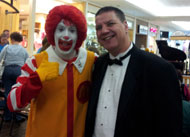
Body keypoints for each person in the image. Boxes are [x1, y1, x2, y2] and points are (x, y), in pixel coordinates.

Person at [85, 6, 182, 137]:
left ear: (125, 26)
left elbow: (170, 126)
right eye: (99, 27)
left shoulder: (159, 69)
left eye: (110, 24)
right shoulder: (98, 64)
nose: (104, 31)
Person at [7, 5, 96, 137]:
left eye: (72, 30)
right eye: (60, 29)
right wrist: (35, 80)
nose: (66, 35)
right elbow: (12, 104)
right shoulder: (35, 62)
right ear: (52, 32)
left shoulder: (91, 61)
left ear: (79, 35)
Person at [0, 32, 29, 121]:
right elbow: (27, 61)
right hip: (18, 71)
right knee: (17, 93)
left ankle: (7, 116)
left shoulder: (7, 47)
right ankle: (17, 116)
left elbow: (1, 58)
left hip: (7, 70)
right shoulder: (23, 50)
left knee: (7, 93)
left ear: (12, 39)